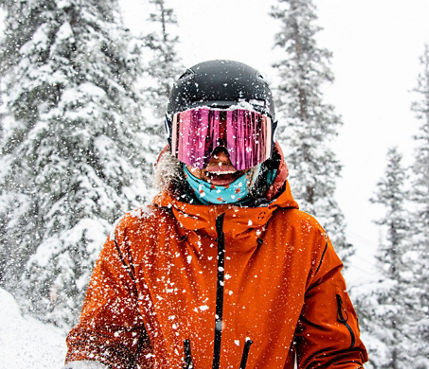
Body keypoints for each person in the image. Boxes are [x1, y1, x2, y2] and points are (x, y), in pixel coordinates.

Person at [64, 60, 368, 369]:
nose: (220, 157)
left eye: (242, 139)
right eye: (200, 138)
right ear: (174, 142)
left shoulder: (302, 239)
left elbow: (333, 356)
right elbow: (101, 343)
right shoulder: (138, 236)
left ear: (266, 146)